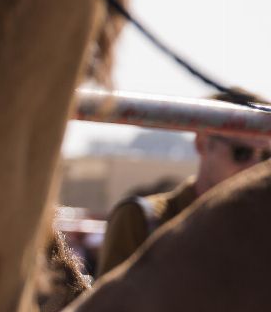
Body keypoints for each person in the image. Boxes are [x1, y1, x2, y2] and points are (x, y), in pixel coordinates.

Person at [98, 92, 271, 276]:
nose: (254, 167)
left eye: (266, 157)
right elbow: (114, 305)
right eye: (241, 153)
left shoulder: (262, 233)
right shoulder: (140, 220)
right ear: (202, 143)